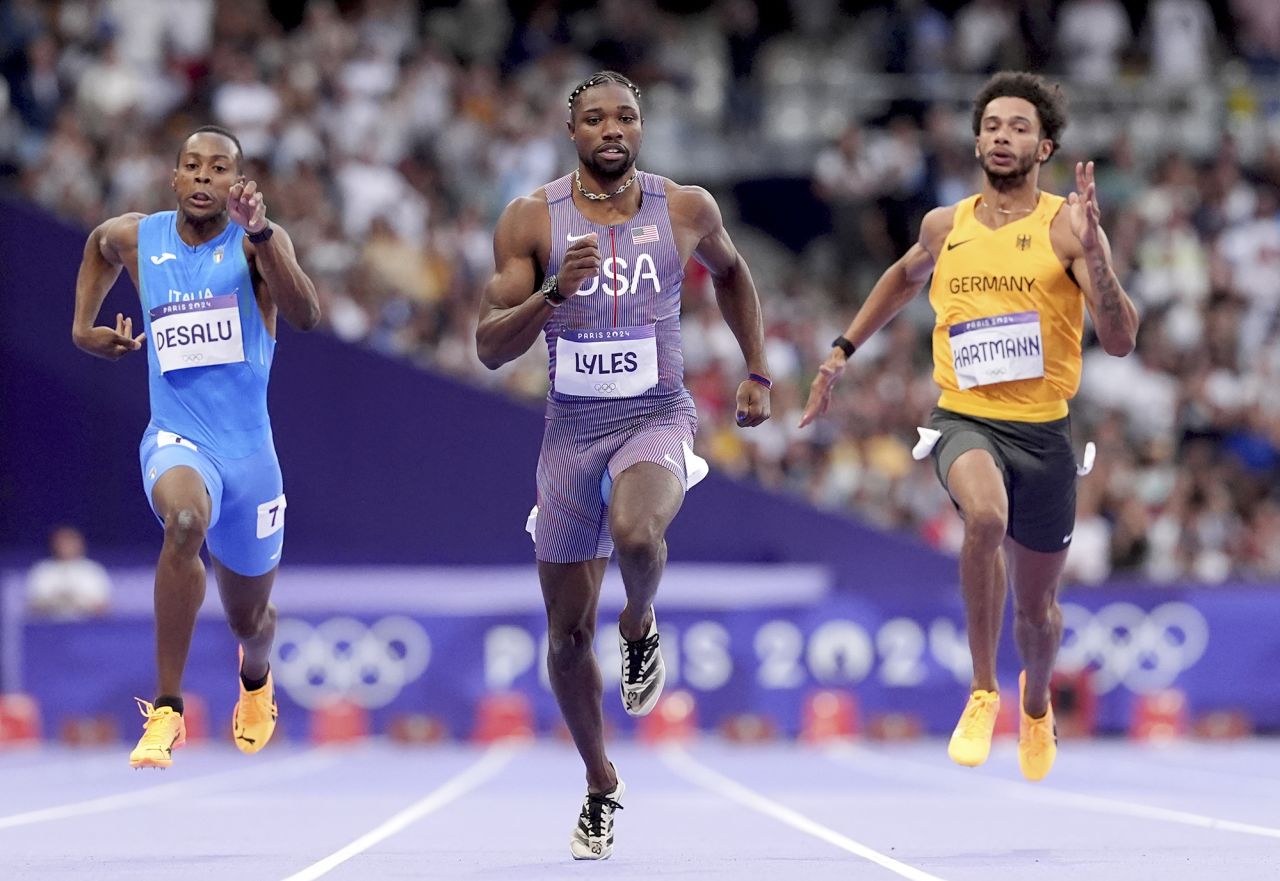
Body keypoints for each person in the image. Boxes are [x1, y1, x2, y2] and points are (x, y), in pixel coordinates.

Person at [800, 72, 1138, 781]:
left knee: (1040, 612)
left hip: (1044, 434)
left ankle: (1036, 700)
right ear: (977, 139)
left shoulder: (1066, 226)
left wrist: (1099, 256)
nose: (1001, 137)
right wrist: (840, 351)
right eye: (991, 126)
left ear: (1044, 144)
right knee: (984, 517)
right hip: (964, 418)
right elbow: (900, 277)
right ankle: (983, 690)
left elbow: (1119, 339)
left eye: (1017, 127)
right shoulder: (943, 225)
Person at [476, 71, 771, 859]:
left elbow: (735, 273)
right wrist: (549, 291)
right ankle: (601, 782)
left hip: (656, 415)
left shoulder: (686, 208)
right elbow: (488, 344)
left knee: (637, 534)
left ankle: (640, 624)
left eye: (628, 117)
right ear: (572, 131)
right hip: (571, 436)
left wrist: (757, 370)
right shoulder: (530, 218)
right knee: (567, 637)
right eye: (597, 118)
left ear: (642, 128)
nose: (614, 129)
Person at [71, 125, 321, 769]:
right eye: (192, 166)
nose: (204, 177)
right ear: (175, 178)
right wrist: (82, 328)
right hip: (178, 439)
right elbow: (100, 243)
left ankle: (257, 679)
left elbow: (306, 315)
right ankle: (168, 710)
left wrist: (264, 236)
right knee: (183, 524)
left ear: (237, 182)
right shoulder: (138, 235)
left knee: (250, 621)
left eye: (218, 168)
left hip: (251, 460)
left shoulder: (257, 243)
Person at [26, 525, 112, 618]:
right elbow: (33, 605)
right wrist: (58, 602)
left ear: (80, 545)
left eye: (70, 543)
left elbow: (104, 606)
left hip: (86, 627)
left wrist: (78, 603)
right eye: (62, 543)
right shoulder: (43, 570)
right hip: (50, 627)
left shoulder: (92, 570)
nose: (66, 547)